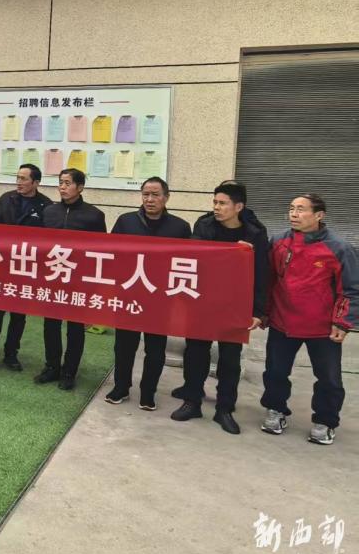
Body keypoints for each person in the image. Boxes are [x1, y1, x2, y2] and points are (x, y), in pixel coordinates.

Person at [171, 182, 268, 435]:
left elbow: (262, 273)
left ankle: (224, 408)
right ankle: (192, 401)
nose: (216, 207)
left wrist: (258, 311)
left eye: (222, 203)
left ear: (239, 206)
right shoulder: (204, 225)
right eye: (215, 202)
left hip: (235, 304)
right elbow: (195, 257)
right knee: (195, 353)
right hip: (203, 301)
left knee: (230, 359)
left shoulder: (255, 233)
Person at [261, 193, 357, 445]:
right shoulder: (279, 242)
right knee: (275, 372)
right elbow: (267, 280)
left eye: (301, 209)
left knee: (329, 378)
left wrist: (342, 322)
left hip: (322, 328)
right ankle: (276, 410)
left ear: (319, 215)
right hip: (282, 322)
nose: (294, 214)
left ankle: (325, 421)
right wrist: (264, 312)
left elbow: (351, 289)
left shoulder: (338, 248)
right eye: (291, 208)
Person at [105, 177, 191, 410]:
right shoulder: (126, 221)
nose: (150, 199)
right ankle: (121, 387)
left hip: (160, 299)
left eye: (155, 195)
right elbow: (112, 253)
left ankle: (148, 392)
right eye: (146, 194)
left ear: (166, 197)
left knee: (155, 349)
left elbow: (187, 262)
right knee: (124, 346)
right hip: (129, 294)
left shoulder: (180, 227)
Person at [0, 163, 52, 371]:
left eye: (24, 179)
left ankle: (11, 354)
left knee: (18, 314)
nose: (19, 182)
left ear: (36, 182)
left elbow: (46, 239)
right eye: (17, 177)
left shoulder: (46, 205)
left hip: (25, 268)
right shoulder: (7, 199)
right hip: (1, 264)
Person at [37, 168, 107, 390]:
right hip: (53, 277)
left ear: (80, 187)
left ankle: (69, 371)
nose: (62, 187)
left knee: (75, 328)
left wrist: (94, 285)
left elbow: (100, 252)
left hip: (79, 280)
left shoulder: (94, 215)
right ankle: (52, 366)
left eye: (67, 183)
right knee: (51, 324)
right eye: (60, 182)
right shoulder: (49, 211)